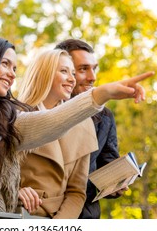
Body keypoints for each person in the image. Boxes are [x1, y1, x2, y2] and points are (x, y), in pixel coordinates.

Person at [0, 36, 153, 213]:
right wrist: (14, 190)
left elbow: (52, 123)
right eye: (5, 64)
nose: (11, 74)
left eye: (15, 69)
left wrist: (102, 94)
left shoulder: (4, 118)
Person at [17, 49, 98, 218]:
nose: (72, 79)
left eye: (73, 73)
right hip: (17, 214)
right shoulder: (14, 115)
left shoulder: (84, 123)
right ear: (44, 74)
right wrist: (15, 190)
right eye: (64, 71)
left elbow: (76, 192)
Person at [56, 38, 126, 219]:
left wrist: (115, 184)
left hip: (85, 216)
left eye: (94, 68)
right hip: (41, 214)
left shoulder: (104, 117)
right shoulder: (37, 111)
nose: (92, 77)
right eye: (83, 69)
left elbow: (106, 162)